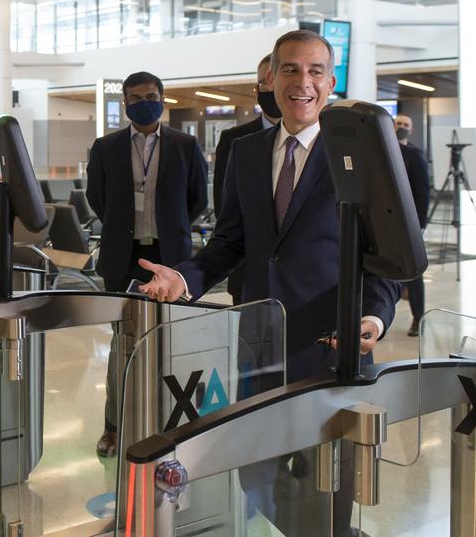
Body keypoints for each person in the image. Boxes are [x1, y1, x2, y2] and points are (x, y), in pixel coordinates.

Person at [138, 30, 400, 536]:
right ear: (271, 78)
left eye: (315, 71)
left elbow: (386, 258)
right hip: (259, 345)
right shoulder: (247, 151)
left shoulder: (360, 155)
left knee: (329, 486)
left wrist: (372, 317)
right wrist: (186, 278)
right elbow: (230, 243)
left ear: (331, 80)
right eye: (291, 70)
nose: (303, 82)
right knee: (256, 474)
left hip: (333, 348)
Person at [86, 70, 208, 457]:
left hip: (170, 259)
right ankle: (113, 426)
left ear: (163, 98)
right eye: (135, 97)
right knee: (123, 345)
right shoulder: (105, 147)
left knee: (171, 342)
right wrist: (125, 226)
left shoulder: (185, 146)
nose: (144, 102)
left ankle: (167, 423)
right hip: (123, 258)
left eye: (151, 95)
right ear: (124, 103)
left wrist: (172, 228)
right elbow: (97, 197)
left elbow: (198, 200)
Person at [213, 53, 281, 304]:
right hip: (248, 272)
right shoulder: (236, 141)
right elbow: (225, 208)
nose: (271, 87)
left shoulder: (331, 142)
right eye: (265, 82)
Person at [395, 114, 430, 336]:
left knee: (414, 273)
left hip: (409, 225)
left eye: (406, 125)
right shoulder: (380, 151)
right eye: (398, 124)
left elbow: (423, 193)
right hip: (384, 222)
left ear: (412, 129)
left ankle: (418, 318)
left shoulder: (415, 156)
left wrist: (419, 226)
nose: (401, 127)